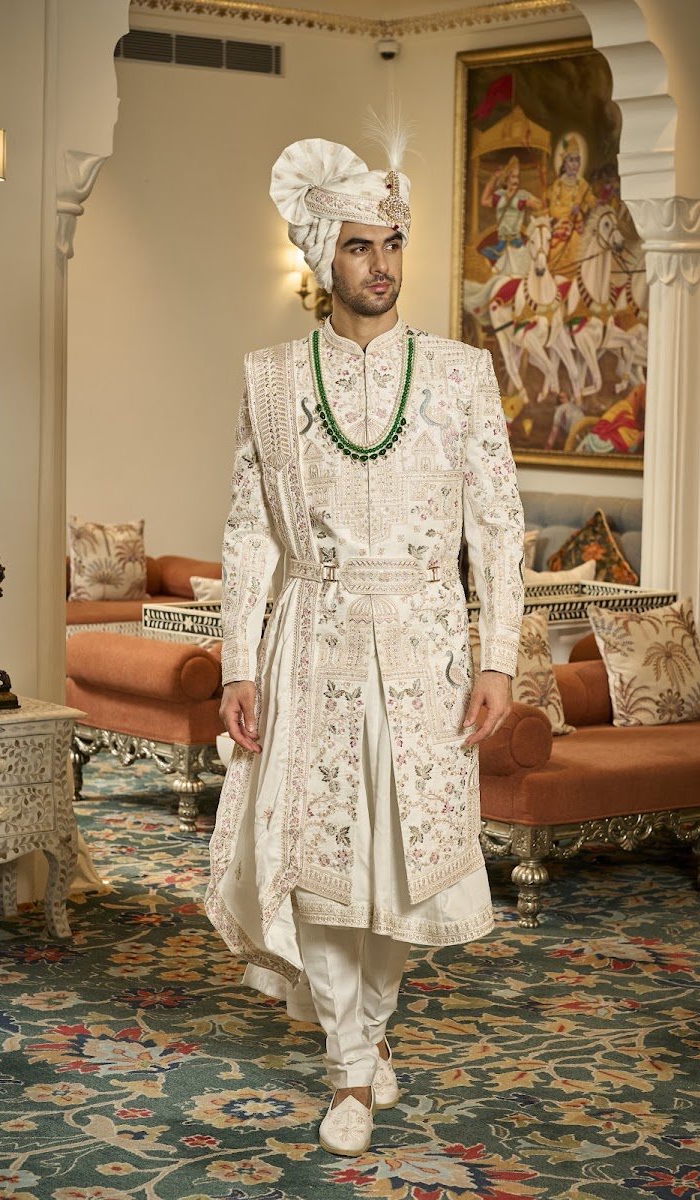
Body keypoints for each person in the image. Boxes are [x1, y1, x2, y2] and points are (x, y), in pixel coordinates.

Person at [204, 132, 525, 1157]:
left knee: (401, 866)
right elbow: (248, 533)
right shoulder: (270, 379)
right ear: (320, 256)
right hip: (314, 638)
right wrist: (239, 664)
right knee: (318, 856)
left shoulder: (460, 374)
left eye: (392, 243)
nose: (381, 264)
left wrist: (498, 657)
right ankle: (349, 1064)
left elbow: (499, 526)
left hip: (427, 646)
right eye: (357, 246)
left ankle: (368, 1024)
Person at [477, 154, 541, 276]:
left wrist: (530, 202)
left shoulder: (522, 195)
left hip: (516, 243)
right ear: (507, 178)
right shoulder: (499, 195)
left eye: (517, 177)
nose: (516, 180)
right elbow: (484, 201)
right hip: (501, 244)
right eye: (513, 177)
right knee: (485, 262)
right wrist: (494, 178)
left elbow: (538, 205)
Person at [547, 133, 597, 277]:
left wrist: (597, 202)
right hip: (561, 226)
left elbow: (591, 200)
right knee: (557, 248)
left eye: (577, 160)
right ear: (564, 163)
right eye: (571, 160)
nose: (575, 164)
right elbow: (553, 210)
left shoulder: (582, 184)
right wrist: (570, 210)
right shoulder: (558, 185)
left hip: (579, 226)